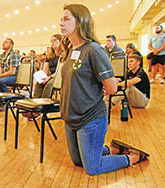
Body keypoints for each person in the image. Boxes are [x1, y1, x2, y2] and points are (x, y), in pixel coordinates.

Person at [59, 4, 149, 175]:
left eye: (66, 19)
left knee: (92, 168)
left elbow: (112, 87)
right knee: (78, 161)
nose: (61, 23)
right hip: (71, 116)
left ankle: (132, 158)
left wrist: (101, 88)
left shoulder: (94, 50)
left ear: (79, 23)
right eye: (61, 20)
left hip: (90, 117)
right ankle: (111, 150)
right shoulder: (71, 50)